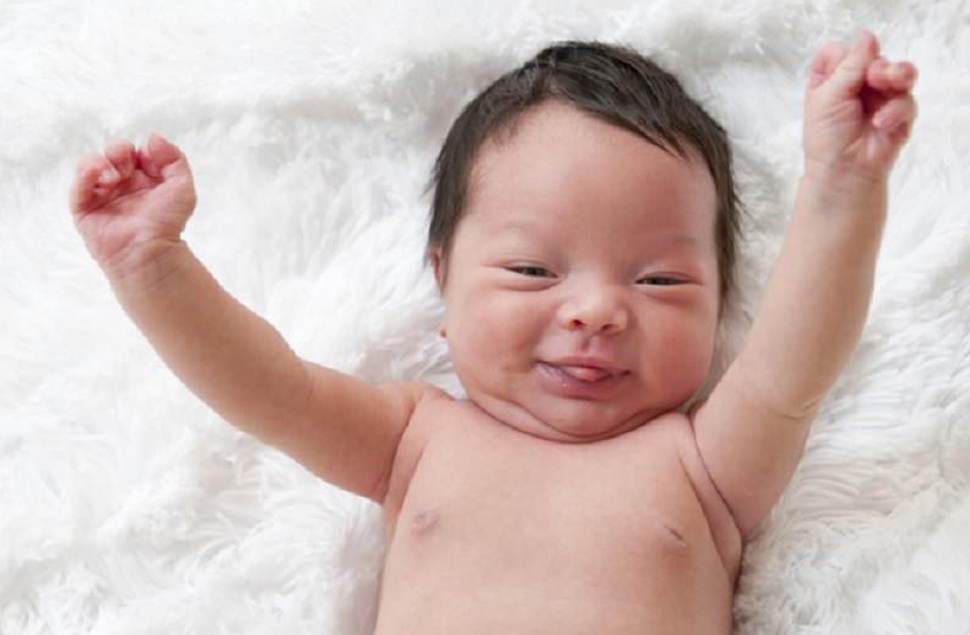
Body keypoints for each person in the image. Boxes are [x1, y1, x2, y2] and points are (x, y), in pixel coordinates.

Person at [69, 32, 917, 634]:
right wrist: (153, 266)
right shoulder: (413, 438)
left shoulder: (703, 465)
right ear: (443, 278)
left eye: (659, 280)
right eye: (533, 270)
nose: (596, 311)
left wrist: (841, 186)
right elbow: (269, 389)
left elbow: (790, 364)